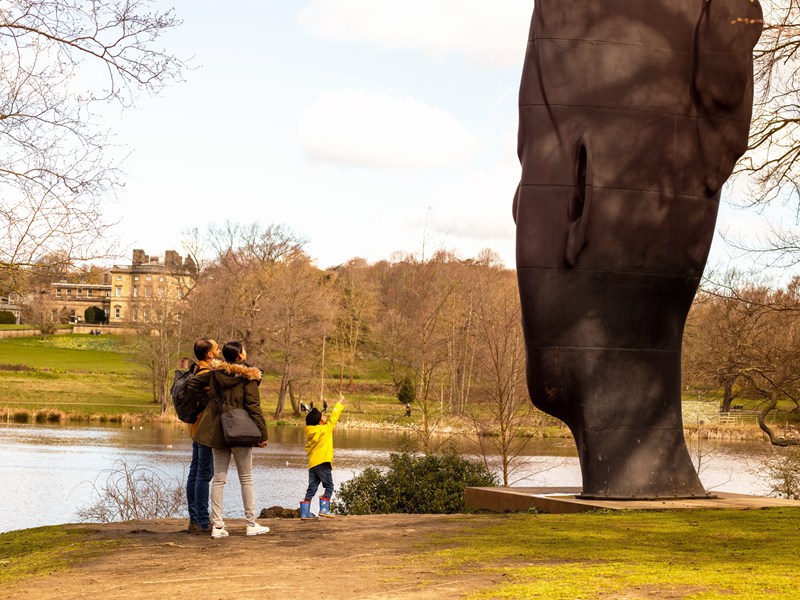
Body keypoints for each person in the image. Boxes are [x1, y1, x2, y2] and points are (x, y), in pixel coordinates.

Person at [193, 340, 270, 538]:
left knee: (218, 479)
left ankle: (217, 526)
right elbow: (253, 407)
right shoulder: (248, 378)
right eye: (244, 350)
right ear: (239, 356)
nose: (246, 352)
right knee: (246, 478)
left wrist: (206, 401)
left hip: (218, 430)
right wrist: (263, 434)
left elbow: (192, 384)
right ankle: (251, 523)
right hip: (240, 431)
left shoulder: (215, 374)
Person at [183, 338, 219, 534]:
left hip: (195, 428)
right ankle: (203, 522)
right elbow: (207, 398)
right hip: (204, 429)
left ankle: (194, 518)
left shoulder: (195, 369)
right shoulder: (206, 374)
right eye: (217, 348)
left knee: (195, 472)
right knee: (204, 474)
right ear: (210, 354)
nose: (220, 349)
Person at [300, 394, 345, 519]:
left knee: (312, 488)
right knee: (329, 486)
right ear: (320, 422)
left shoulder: (310, 432)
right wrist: (339, 402)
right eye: (324, 416)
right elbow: (334, 418)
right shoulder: (325, 430)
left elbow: (308, 449)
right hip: (323, 463)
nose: (326, 417)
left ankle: (304, 512)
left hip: (313, 464)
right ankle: (324, 509)